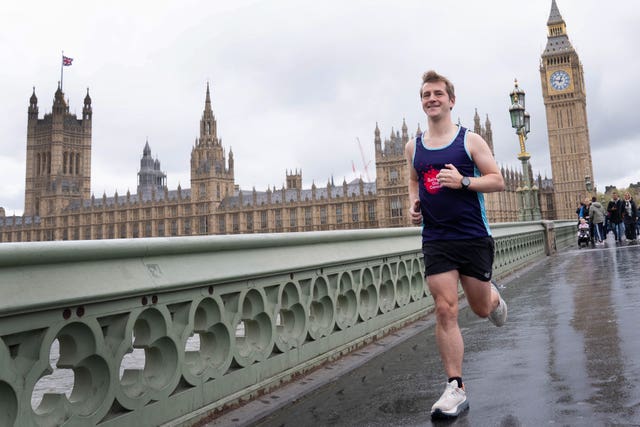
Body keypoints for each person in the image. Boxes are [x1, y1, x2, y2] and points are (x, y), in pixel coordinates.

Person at [404, 70, 506, 419]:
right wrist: (413, 204)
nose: (431, 99)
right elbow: (415, 182)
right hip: (436, 239)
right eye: (425, 95)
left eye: (437, 94)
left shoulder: (470, 140)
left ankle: (493, 296)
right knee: (445, 308)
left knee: (479, 308)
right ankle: (455, 387)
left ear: (451, 100)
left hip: (473, 236)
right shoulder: (413, 147)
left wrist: (462, 181)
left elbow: (497, 181)